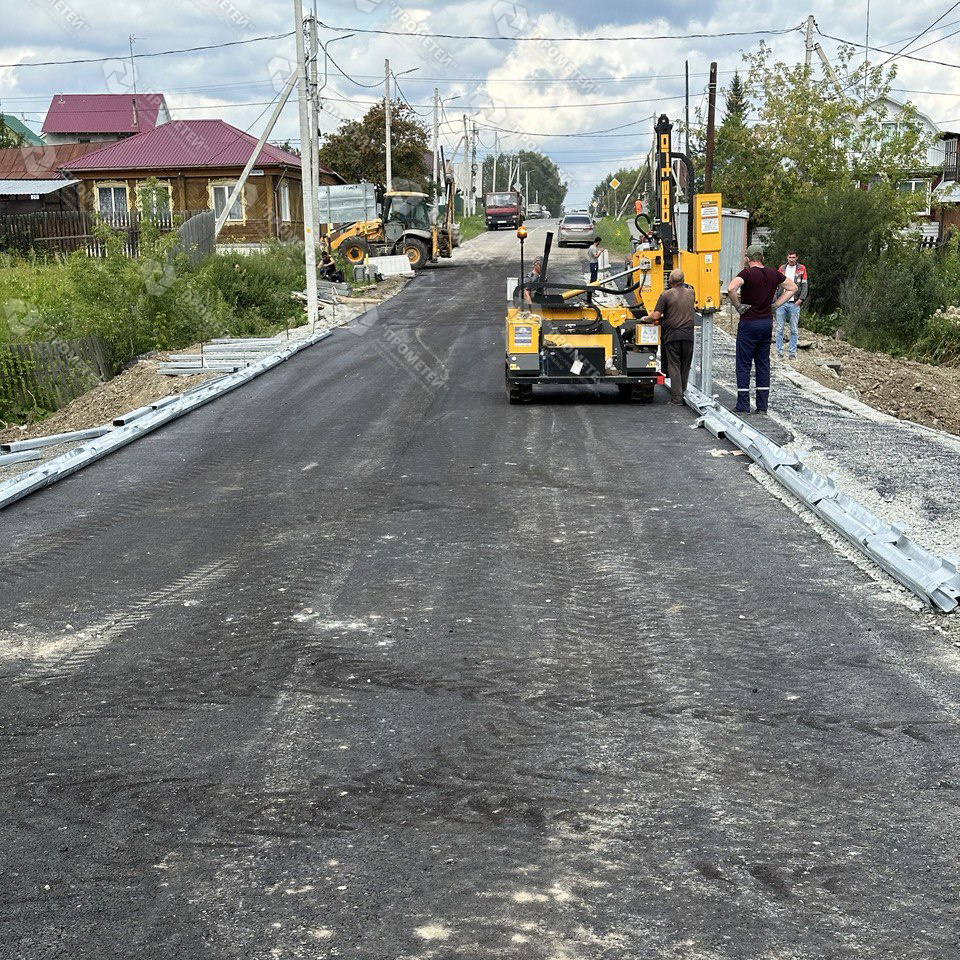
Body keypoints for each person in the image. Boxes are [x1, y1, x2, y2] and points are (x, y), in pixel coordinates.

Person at [727, 245, 798, 415]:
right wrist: (776, 305)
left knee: (744, 364)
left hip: (749, 322)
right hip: (766, 323)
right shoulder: (773, 273)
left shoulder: (746, 273)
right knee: (763, 363)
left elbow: (731, 288)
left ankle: (743, 404)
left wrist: (738, 305)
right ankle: (762, 406)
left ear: (748, 258)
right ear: (762, 257)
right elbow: (793, 288)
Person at [649, 268, 696, 404]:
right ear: (683, 280)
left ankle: (677, 399)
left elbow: (656, 316)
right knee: (685, 366)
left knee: (674, 365)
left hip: (672, 335)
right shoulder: (692, 293)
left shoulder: (666, 295)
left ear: (669, 281)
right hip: (688, 335)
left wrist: (647, 318)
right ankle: (683, 392)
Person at [775, 249, 809, 359]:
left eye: (793, 257)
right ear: (787, 257)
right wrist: (776, 299)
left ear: (797, 257)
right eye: (790, 257)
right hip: (781, 302)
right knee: (780, 328)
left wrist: (801, 299)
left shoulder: (801, 269)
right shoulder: (782, 269)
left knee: (794, 329)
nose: (791, 259)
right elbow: (776, 284)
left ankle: (792, 353)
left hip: (794, 302)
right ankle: (779, 352)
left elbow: (804, 285)